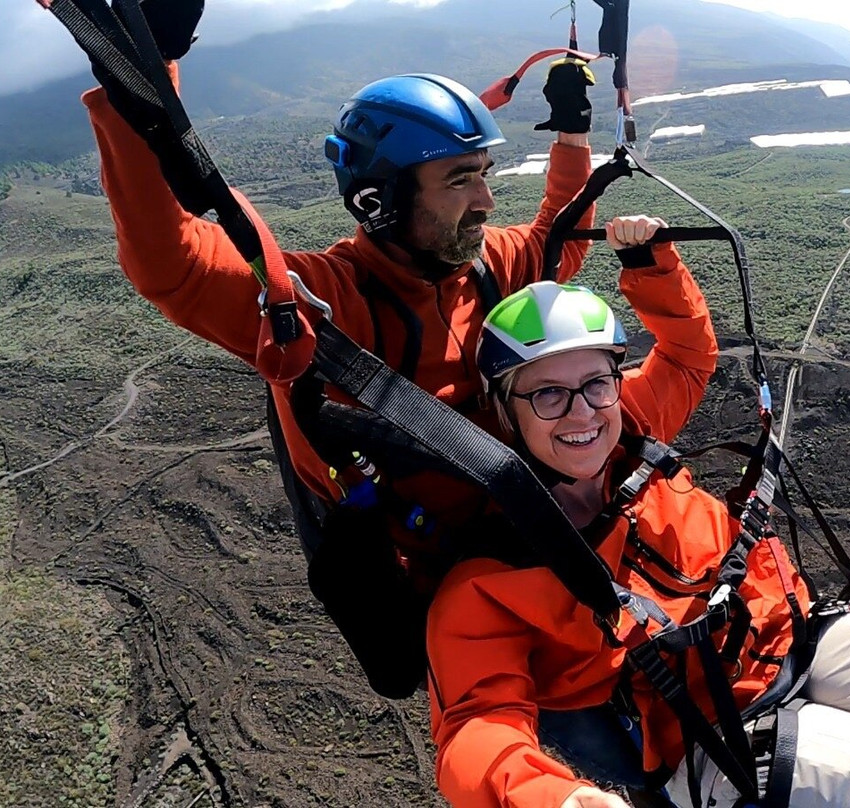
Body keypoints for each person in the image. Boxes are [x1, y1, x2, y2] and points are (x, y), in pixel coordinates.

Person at [425, 216, 850, 808]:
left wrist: (650, 265)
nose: (581, 412)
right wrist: (557, 801)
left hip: (795, 641)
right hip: (716, 739)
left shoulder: (626, 434)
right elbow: (475, 729)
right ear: (503, 413)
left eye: (598, 382)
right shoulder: (488, 581)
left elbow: (686, 353)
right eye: (546, 394)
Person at [61, 0, 598, 696]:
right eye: (460, 179)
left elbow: (560, 241)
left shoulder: (490, 265)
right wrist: (142, 79)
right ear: (381, 201)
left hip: (516, 539)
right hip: (426, 584)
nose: (487, 200)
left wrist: (573, 135)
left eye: (485, 173)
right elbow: (174, 264)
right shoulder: (322, 299)